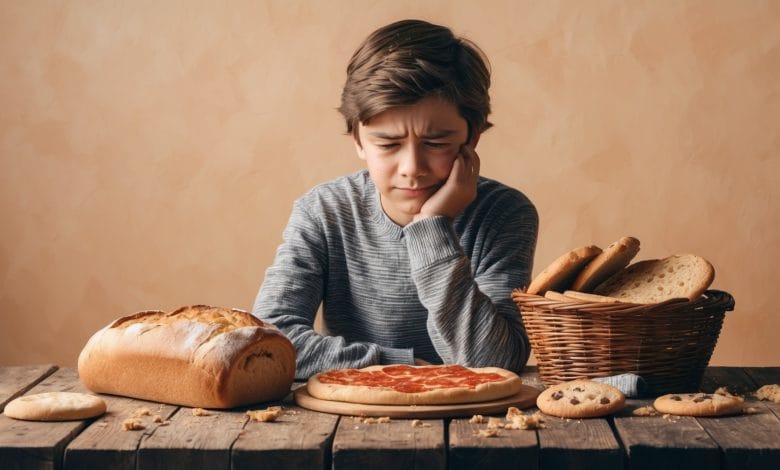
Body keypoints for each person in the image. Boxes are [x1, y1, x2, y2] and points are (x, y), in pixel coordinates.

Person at [252, 19, 538, 379]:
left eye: (436, 144)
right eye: (388, 145)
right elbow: (268, 342)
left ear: (472, 139)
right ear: (357, 140)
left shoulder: (505, 213)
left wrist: (434, 228)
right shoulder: (323, 211)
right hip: (348, 417)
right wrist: (399, 365)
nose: (412, 168)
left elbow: (492, 361)